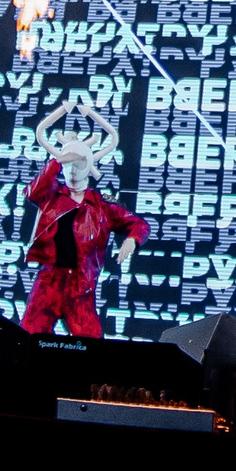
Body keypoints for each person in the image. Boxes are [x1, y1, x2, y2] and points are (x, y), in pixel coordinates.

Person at [22, 100, 147, 338]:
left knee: (90, 344)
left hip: (81, 286)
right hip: (49, 280)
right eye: (69, 165)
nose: (73, 170)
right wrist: (58, 160)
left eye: (78, 164)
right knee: (29, 337)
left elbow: (138, 224)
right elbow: (33, 191)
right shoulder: (52, 196)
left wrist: (132, 239)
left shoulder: (102, 207)